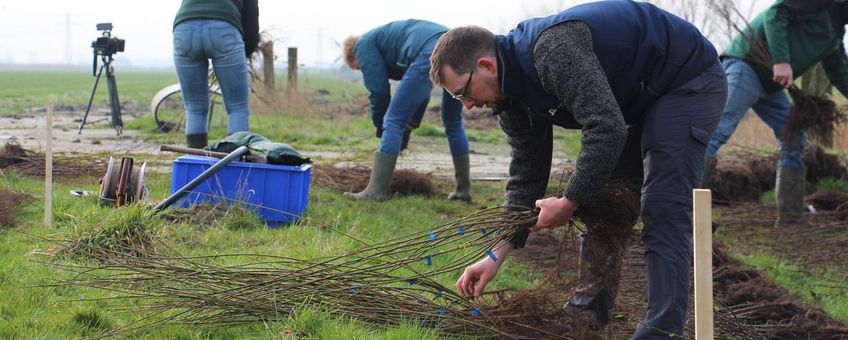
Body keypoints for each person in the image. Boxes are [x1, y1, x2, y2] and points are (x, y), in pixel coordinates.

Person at [429, 1, 726, 338]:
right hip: (632, 100)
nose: (467, 105)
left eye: (464, 93)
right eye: (458, 99)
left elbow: (606, 128)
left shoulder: (552, 51)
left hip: (685, 80)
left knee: (662, 204)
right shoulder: (509, 99)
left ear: (485, 65)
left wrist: (569, 201)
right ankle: (587, 315)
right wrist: (496, 254)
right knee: (608, 202)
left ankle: (661, 330)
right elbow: (527, 175)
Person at [704, 0, 848, 226]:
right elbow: (775, 14)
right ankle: (680, 210)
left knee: (794, 136)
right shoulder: (817, 4)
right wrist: (781, 61)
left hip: (770, 86)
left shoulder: (835, 34)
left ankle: (790, 217)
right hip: (748, 66)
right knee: (715, 131)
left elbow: (840, 71)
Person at [341, 19, 472, 202]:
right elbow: (421, 93)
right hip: (456, 48)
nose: (363, 68)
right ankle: (463, 190)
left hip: (431, 50)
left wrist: (381, 126)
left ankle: (375, 192)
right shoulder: (385, 40)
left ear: (352, 54)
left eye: (360, 66)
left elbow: (378, 91)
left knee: (393, 120)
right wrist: (410, 124)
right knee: (453, 120)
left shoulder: (363, 45)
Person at [172, 0, 259, 148]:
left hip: (184, 29)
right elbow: (251, 23)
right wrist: (246, 51)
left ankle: (197, 164)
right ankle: (235, 165)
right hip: (224, 29)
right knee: (237, 106)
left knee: (194, 108)